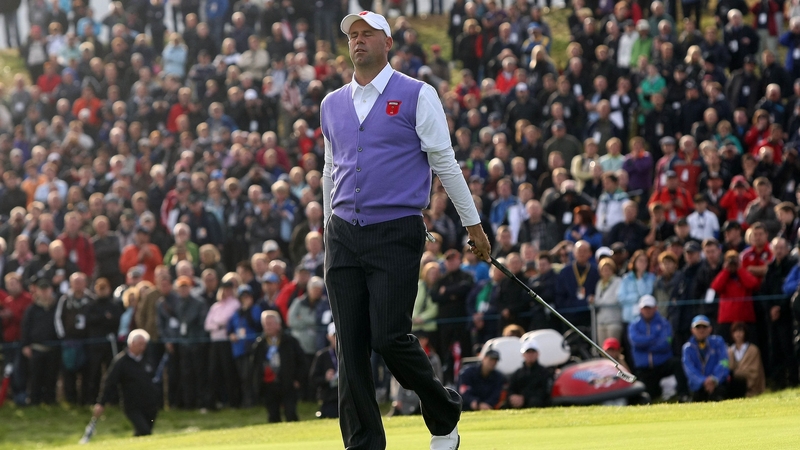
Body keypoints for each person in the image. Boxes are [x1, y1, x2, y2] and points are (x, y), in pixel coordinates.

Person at [321, 12, 490, 448]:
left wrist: (474, 226)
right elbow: (329, 169)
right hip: (341, 235)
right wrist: (327, 224)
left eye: (367, 34)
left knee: (389, 337)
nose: (357, 42)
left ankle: (442, 410)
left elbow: (445, 163)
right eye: (353, 36)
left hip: (395, 231)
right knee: (351, 348)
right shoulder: (331, 103)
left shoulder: (417, 94)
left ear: (388, 42)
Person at [93, 329, 160, 437]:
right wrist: (101, 403)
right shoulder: (121, 362)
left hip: (150, 404)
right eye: (140, 344)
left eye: (144, 344)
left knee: (144, 433)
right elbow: (110, 382)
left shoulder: (148, 358)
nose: (143, 347)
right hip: (132, 405)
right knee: (144, 431)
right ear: (132, 344)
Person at [628, 295, 689, 401]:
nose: (647, 310)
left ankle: (683, 394)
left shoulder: (664, 323)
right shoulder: (634, 325)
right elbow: (635, 342)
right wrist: (653, 338)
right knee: (649, 396)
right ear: (640, 309)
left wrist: (645, 346)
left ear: (655, 308)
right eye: (645, 308)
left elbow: (665, 344)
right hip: (645, 369)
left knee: (677, 363)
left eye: (649, 308)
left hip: (662, 364)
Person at [252, 310, 306, 423]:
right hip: (269, 385)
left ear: (278, 324)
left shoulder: (290, 341)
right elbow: (255, 366)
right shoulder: (260, 344)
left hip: (288, 383)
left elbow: (302, 362)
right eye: (265, 324)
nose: (267, 327)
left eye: (270, 323)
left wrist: (298, 379)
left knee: (291, 414)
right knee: (273, 416)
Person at [682, 315, 731, 402]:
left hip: (717, 384)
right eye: (698, 327)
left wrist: (714, 379)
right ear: (692, 330)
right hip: (698, 388)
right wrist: (703, 381)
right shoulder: (687, 348)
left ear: (710, 329)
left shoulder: (718, 342)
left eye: (704, 327)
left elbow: (724, 362)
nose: (701, 330)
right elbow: (690, 370)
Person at [506, 341, 552, 409]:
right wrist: (513, 396)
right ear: (523, 354)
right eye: (528, 352)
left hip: (535, 402)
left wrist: (524, 397)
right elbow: (511, 389)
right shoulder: (517, 373)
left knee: (534, 402)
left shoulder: (544, 372)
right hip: (518, 402)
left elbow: (544, 392)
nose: (530, 354)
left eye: (533, 352)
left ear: (537, 354)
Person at [727, 322, 766, 398]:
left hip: (747, 383)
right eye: (735, 331)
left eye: (741, 331)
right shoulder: (729, 351)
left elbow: (755, 370)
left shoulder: (753, 350)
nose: (738, 334)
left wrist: (739, 373)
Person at [310, 322, 339, 419]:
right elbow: (313, 380)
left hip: (350, 398)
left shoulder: (351, 355)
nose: (338, 338)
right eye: (335, 335)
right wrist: (325, 379)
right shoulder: (322, 356)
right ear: (329, 337)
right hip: (330, 398)